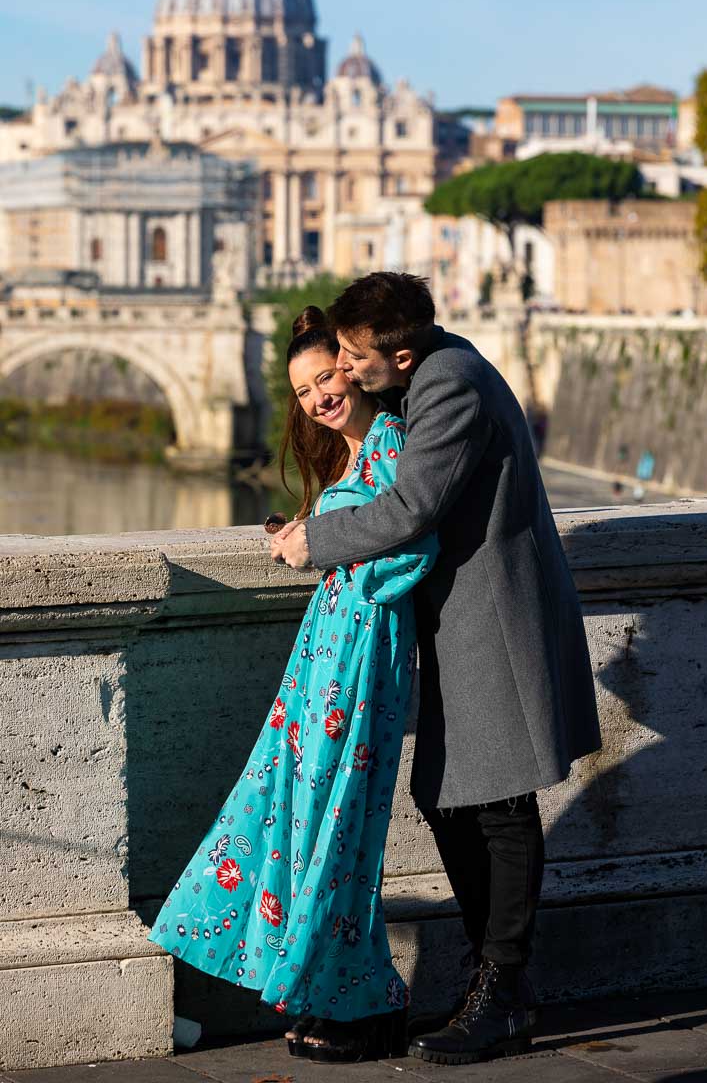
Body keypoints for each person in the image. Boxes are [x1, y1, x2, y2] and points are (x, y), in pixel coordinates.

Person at [272, 273, 602, 1067]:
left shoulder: (448, 383)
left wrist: (312, 541)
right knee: (454, 796)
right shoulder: (436, 372)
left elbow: (412, 506)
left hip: (490, 618)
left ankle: (504, 991)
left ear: (402, 351)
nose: (345, 372)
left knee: (495, 803)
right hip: (464, 617)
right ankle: (496, 983)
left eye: (352, 357)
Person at [147, 307, 438, 1065]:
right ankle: (326, 993)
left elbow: (409, 551)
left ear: (354, 369)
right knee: (301, 818)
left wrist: (319, 544)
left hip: (363, 656)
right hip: (325, 658)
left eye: (325, 379)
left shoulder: (393, 446)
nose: (317, 398)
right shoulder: (349, 459)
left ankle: (368, 1001)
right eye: (303, 390)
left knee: (338, 826)